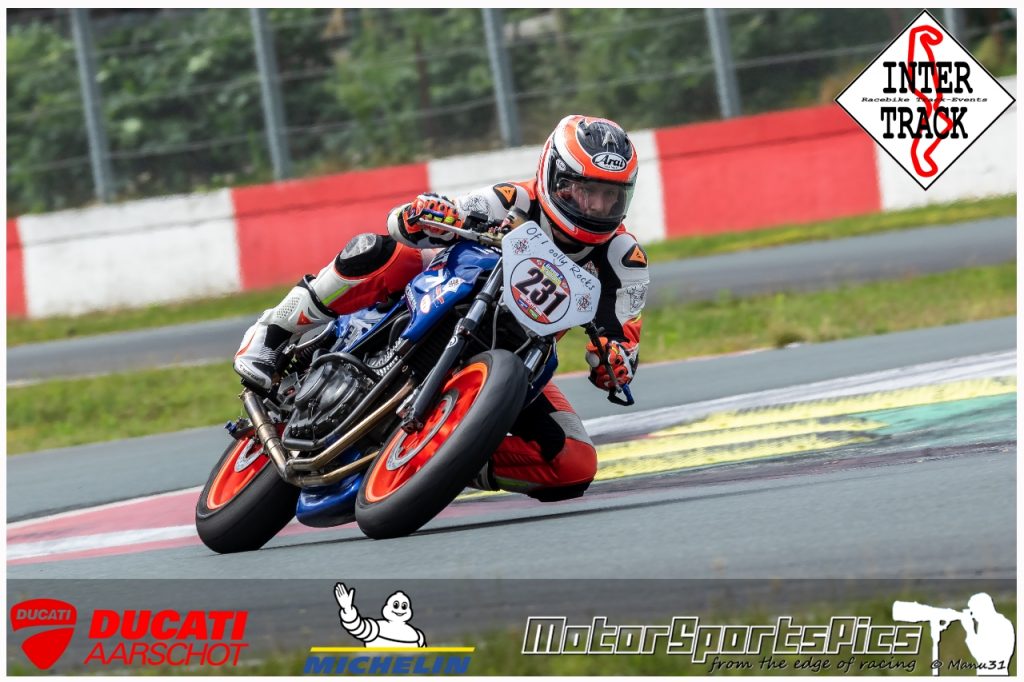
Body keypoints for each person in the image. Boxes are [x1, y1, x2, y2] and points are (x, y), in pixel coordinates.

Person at [234, 115, 650, 501]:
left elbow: (623, 348)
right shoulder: (514, 200)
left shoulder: (625, 260)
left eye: (610, 196)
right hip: (444, 298)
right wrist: (426, 215)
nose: (597, 207)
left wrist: (613, 362)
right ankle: (274, 331)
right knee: (386, 251)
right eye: (586, 190)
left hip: (520, 356)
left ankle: (446, 458)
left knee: (575, 464)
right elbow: (414, 221)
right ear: (554, 175)